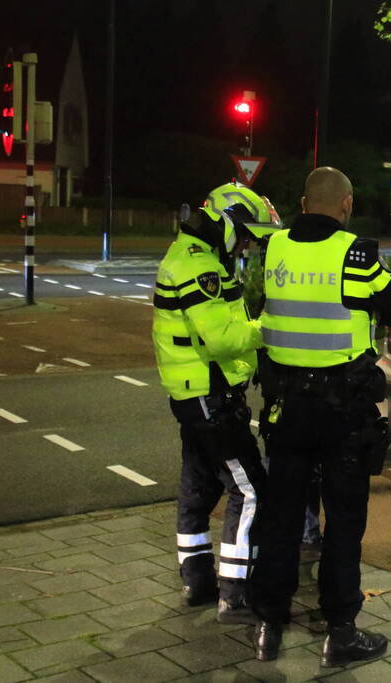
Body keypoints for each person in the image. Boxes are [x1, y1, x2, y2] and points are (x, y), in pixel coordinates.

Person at [248, 167, 391, 665]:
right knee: (344, 522)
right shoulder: (355, 254)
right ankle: (340, 630)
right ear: (347, 203)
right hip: (342, 412)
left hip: (285, 407)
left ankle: (269, 625)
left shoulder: (275, 249)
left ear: (302, 201)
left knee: (281, 517)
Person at [151, 182, 282, 624]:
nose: (246, 244)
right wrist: (271, 328)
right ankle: (236, 592)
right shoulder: (198, 267)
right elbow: (223, 338)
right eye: (245, 235)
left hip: (195, 394)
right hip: (209, 395)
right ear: (226, 223)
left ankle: (198, 580)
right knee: (250, 490)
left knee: (198, 486)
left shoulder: (196, 257)